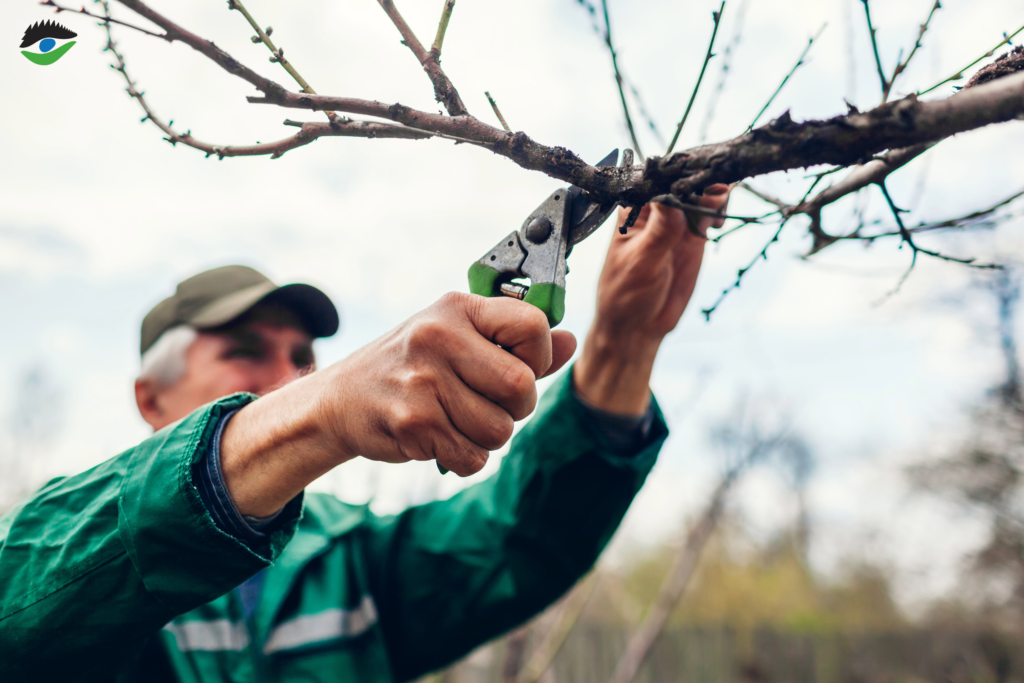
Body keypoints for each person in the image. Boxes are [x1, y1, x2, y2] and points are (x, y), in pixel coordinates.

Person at [0, 190, 730, 682]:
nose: (286, 375)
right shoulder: (62, 555)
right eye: (246, 349)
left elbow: (518, 539)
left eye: (303, 361)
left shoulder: (354, 562)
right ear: (148, 396)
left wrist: (624, 345)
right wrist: (318, 409)